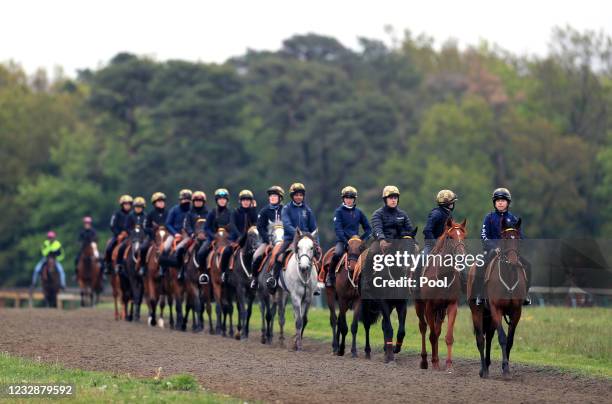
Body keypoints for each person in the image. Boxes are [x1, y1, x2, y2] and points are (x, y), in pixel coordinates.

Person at [476, 187, 531, 305]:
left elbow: (521, 237)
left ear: (508, 203)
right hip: (491, 250)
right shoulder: (489, 218)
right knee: (480, 266)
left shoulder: (513, 219)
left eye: (503, 200)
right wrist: (494, 246)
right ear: (494, 203)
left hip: (510, 251)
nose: (500, 202)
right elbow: (484, 236)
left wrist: (515, 247)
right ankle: (481, 295)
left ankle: (525, 294)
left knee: (528, 265)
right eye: (498, 200)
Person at [267, 183, 319, 292]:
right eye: (296, 195)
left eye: (300, 195)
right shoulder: (286, 209)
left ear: (303, 196)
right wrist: (298, 235)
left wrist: (316, 243)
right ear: (292, 196)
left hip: (306, 240)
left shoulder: (308, 210)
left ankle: (316, 283)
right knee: (278, 256)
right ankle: (274, 280)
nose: (298, 197)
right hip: (290, 239)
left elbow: (313, 228)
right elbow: (287, 224)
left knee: (317, 257)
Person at [326, 186, 371, 287]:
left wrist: (362, 240)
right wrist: (346, 242)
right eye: (346, 198)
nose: (349, 200)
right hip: (343, 241)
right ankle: (330, 275)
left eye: (351, 198)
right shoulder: (338, 211)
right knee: (337, 253)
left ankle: (368, 280)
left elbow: (368, 229)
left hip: (356, 243)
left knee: (369, 257)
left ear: (354, 199)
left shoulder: (359, 212)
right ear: (343, 199)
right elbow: (338, 229)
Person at [414, 190, 458, 291]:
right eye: (452, 202)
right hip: (432, 245)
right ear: (448, 204)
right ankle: (416, 284)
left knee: (461, 260)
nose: (453, 204)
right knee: (422, 258)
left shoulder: (449, 214)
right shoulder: (436, 214)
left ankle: (463, 283)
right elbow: (427, 230)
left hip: (447, 246)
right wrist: (435, 244)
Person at [197, 188, 236, 282]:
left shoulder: (231, 213)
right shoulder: (212, 212)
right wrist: (212, 236)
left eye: (224, 199)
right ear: (216, 200)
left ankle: (232, 274)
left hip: (227, 239)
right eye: (220, 199)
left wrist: (230, 238)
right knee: (201, 252)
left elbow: (234, 228)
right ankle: (203, 274)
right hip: (213, 238)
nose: (222, 201)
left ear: (227, 200)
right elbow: (206, 228)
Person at [250, 185, 284, 289]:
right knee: (256, 256)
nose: (272, 198)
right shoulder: (264, 211)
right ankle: (255, 279)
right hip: (268, 241)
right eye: (271, 196)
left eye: (275, 196)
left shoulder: (286, 210)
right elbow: (260, 227)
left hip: (284, 241)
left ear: (280, 198)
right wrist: (267, 240)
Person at [221, 189, 258, 282]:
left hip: (250, 239)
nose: (246, 202)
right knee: (226, 251)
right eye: (244, 200)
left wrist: (253, 209)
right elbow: (232, 225)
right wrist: (240, 235)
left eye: (248, 200)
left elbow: (256, 223)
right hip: (236, 239)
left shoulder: (252, 212)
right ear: (240, 201)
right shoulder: (235, 212)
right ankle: (224, 273)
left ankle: (257, 275)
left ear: (251, 201)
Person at [370, 185, 414, 254]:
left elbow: (410, 230)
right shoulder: (377, 214)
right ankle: (364, 265)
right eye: (391, 198)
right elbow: (377, 229)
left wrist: (415, 242)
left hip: (399, 243)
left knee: (414, 251)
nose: (393, 200)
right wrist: (382, 239)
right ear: (385, 199)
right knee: (372, 252)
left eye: (395, 198)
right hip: (382, 242)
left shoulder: (403, 214)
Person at [160, 189, 192, 277]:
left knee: (180, 249)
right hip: (174, 234)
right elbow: (168, 223)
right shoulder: (174, 210)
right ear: (180, 200)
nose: (185, 201)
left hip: (188, 235)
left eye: (187, 199)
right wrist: (175, 233)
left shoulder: (192, 211)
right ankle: (163, 268)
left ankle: (182, 269)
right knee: (165, 247)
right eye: (183, 199)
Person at [176, 191, 208, 280]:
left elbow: (211, 225)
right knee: (180, 249)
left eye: (200, 201)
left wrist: (207, 234)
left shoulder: (208, 213)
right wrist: (192, 234)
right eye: (196, 200)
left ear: (203, 202)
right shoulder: (189, 213)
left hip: (206, 237)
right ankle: (181, 270)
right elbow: (186, 225)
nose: (198, 202)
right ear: (193, 202)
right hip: (192, 237)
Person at [104, 195, 133, 274]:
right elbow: (112, 225)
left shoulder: (133, 215)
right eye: (125, 204)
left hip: (130, 236)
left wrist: (129, 233)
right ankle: (108, 265)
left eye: (129, 204)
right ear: (122, 205)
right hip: (118, 235)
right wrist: (118, 234)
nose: (127, 206)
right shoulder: (116, 214)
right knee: (109, 247)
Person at [140, 192, 167, 275]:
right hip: (152, 236)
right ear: (154, 203)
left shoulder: (168, 213)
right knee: (143, 247)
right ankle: (143, 266)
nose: (161, 203)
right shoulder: (150, 214)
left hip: (166, 236)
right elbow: (145, 227)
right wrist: (153, 230)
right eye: (159, 201)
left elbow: (171, 224)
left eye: (162, 201)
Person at [117, 196, 146, 270]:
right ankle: (119, 264)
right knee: (122, 247)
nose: (138, 208)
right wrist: (131, 232)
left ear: (143, 207)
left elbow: (147, 227)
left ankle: (144, 265)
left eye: (140, 207)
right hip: (131, 236)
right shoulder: (130, 215)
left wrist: (143, 232)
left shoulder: (145, 216)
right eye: (136, 207)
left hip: (142, 237)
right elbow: (126, 226)